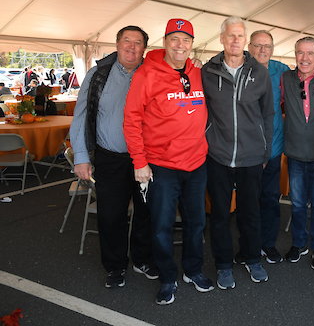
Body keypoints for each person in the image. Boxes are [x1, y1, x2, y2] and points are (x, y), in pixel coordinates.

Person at [123, 18, 212, 305]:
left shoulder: (197, 71)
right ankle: (167, 276)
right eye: (174, 39)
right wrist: (139, 161)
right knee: (161, 226)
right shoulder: (146, 74)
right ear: (165, 42)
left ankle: (193, 270)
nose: (180, 45)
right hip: (161, 165)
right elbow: (132, 119)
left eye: (186, 40)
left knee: (196, 222)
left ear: (191, 44)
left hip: (197, 163)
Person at [70, 25, 156, 289]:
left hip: (148, 160)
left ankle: (142, 259)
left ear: (145, 49)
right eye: (126, 41)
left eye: (138, 42)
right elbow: (81, 115)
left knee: (146, 212)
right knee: (110, 215)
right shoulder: (98, 75)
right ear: (117, 44)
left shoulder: (153, 74)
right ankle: (115, 265)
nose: (131, 46)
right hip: (110, 158)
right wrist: (81, 157)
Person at [202, 16, 274, 289]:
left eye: (239, 36)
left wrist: (265, 151)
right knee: (219, 214)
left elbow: (268, 113)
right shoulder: (207, 71)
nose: (235, 41)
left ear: (245, 41)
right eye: (230, 36)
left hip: (251, 157)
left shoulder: (260, 72)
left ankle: (252, 258)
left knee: (250, 213)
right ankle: (223, 265)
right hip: (218, 155)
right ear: (221, 39)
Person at [282, 37, 314, 269]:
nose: (305, 58)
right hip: (294, 155)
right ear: (295, 54)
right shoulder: (285, 78)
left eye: (310, 53)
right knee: (299, 204)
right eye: (301, 53)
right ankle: (299, 243)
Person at [240, 30, 289, 265]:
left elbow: (308, 80)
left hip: (272, 148)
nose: (262, 50)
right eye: (258, 46)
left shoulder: (282, 71)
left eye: (267, 46)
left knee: (270, 199)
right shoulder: (238, 68)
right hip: (246, 151)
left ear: (272, 48)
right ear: (249, 46)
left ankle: (268, 244)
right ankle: (247, 246)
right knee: (247, 202)